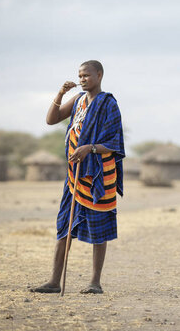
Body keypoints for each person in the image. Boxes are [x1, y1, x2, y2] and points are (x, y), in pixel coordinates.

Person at [31, 60, 125, 294]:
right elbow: (51, 120)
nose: (82, 79)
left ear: (99, 75)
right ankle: (54, 281)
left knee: (99, 228)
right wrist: (61, 93)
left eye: (87, 75)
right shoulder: (78, 101)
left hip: (99, 174)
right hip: (75, 175)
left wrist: (90, 148)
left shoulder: (108, 104)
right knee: (64, 226)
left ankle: (95, 282)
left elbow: (114, 142)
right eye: (79, 75)